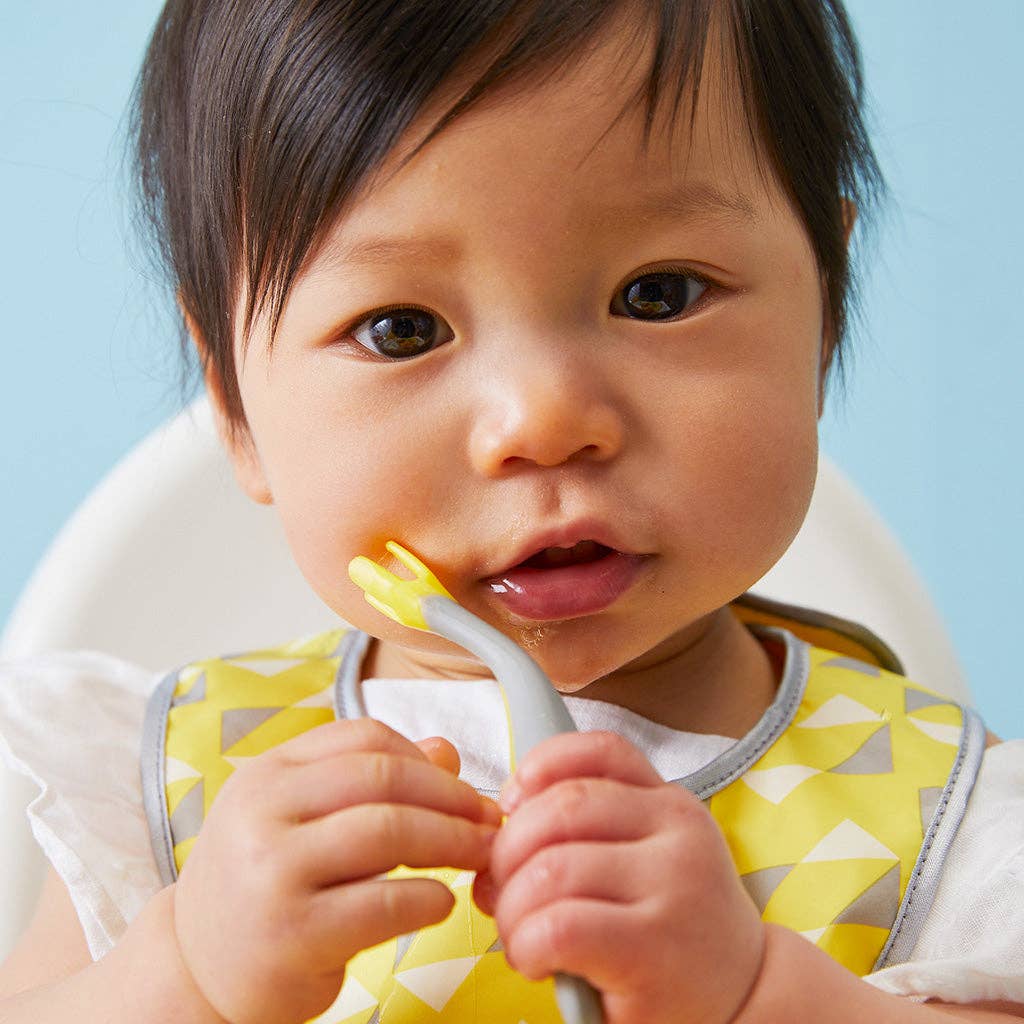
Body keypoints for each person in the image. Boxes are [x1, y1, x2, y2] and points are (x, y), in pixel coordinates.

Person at [0, 0, 1022, 1021]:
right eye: (401, 328)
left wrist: (761, 994)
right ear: (235, 405)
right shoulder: (176, 798)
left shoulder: (946, 817)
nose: (541, 421)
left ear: (825, 317)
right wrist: (181, 974)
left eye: (659, 292)